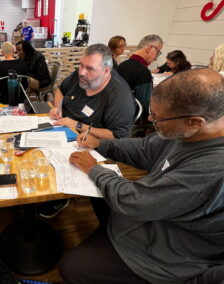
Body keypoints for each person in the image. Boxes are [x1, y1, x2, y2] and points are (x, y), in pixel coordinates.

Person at [61, 68, 224, 283]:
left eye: (157, 118)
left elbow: (137, 201)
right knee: (100, 199)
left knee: (70, 268)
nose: (149, 118)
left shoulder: (210, 168)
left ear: (194, 122)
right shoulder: (188, 131)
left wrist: (94, 169)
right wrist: (102, 144)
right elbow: (144, 148)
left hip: (169, 254)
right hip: (147, 221)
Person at [39, 44, 135, 219]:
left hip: (89, 143)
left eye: (90, 68)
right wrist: (57, 107)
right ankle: (49, 195)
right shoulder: (80, 76)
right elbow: (59, 90)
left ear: (106, 71)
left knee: (49, 161)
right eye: (81, 65)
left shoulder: (119, 96)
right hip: (63, 127)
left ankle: (57, 197)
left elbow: (117, 136)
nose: (82, 72)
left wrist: (77, 125)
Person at [117, 34, 163, 110]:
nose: (155, 59)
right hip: (133, 118)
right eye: (157, 53)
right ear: (149, 48)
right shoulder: (143, 72)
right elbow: (146, 106)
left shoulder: (122, 65)